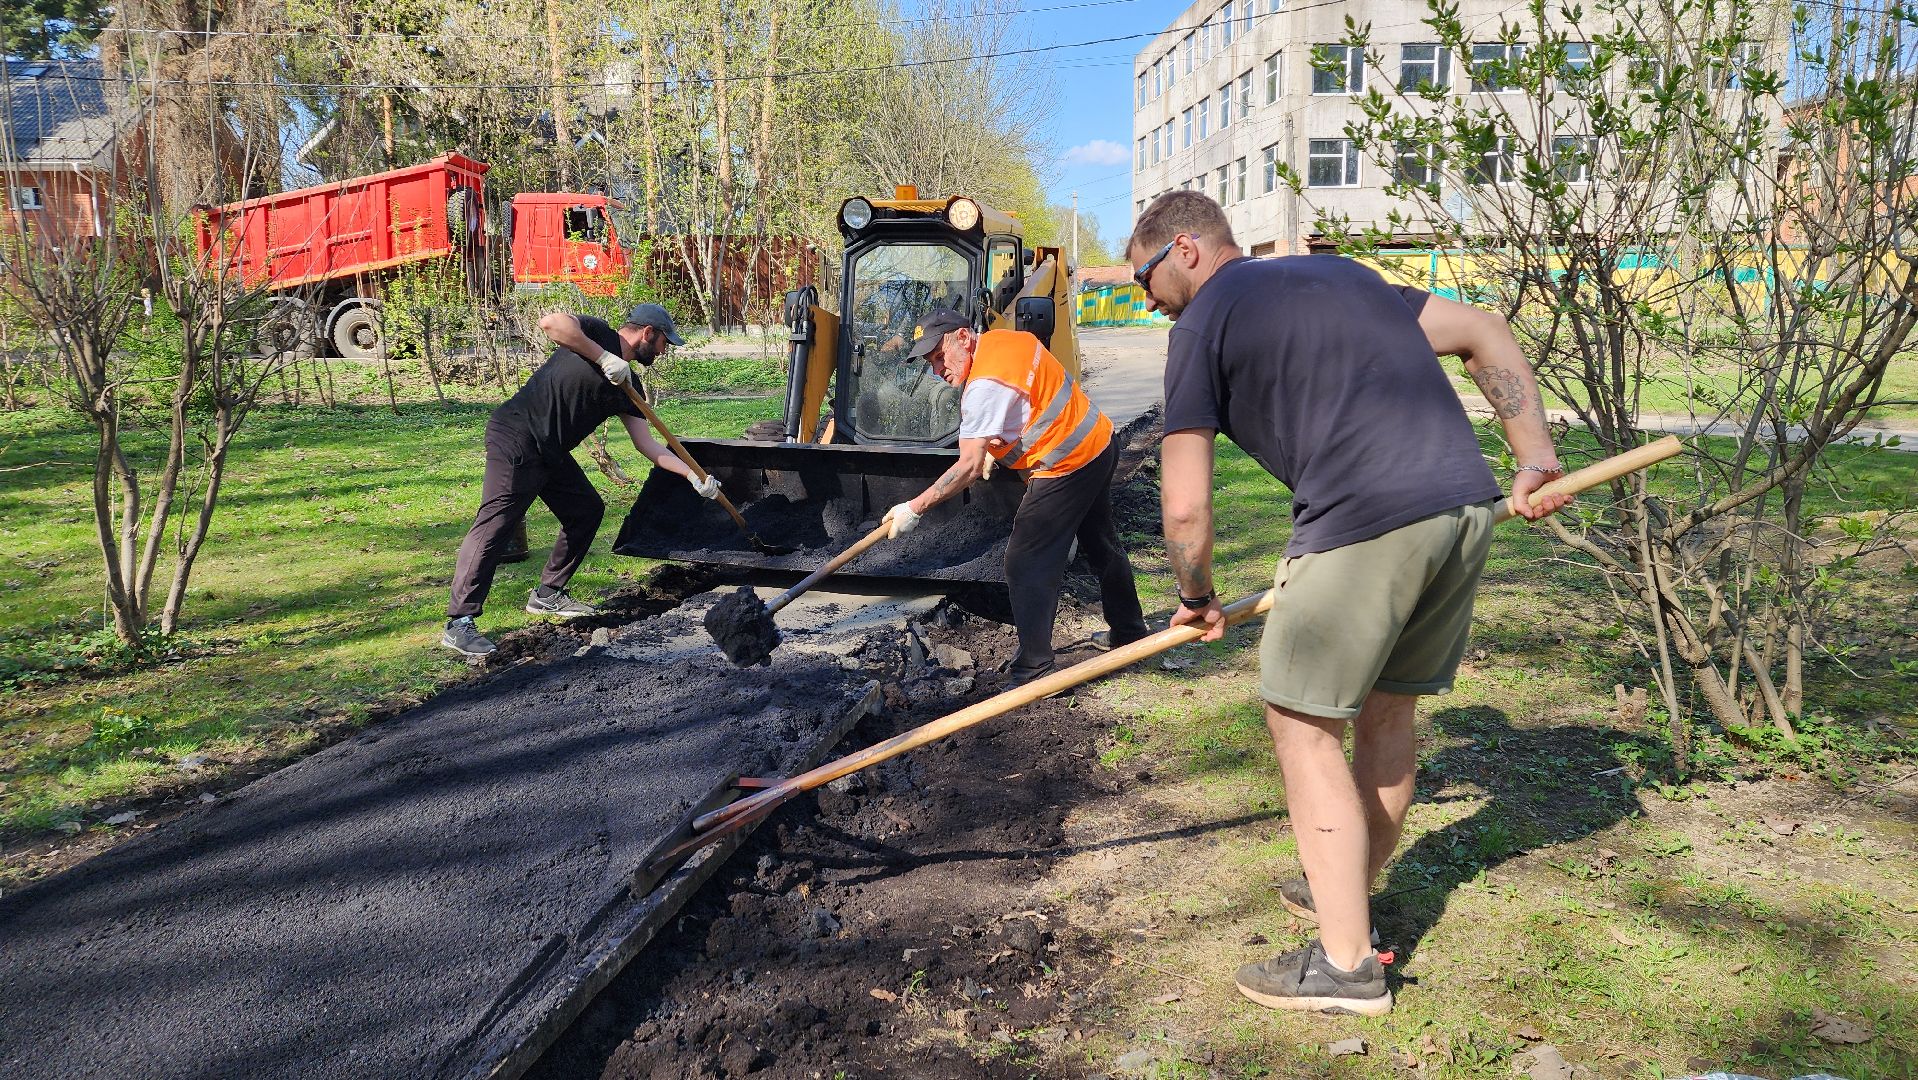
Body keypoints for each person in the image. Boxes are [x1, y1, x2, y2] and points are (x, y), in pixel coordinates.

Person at [1126, 191, 1570, 1016]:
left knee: (1302, 726)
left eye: (1144, 280)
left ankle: (1344, 966)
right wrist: (1534, 455)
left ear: (1185, 248)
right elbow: (1483, 330)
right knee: (1388, 715)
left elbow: (1184, 504)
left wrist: (1195, 595)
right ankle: (1348, 901)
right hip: (1462, 511)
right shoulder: (1347, 277)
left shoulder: (1202, 324)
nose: (1145, 302)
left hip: (1365, 524)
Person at [883, 310, 1149, 689]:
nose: (937, 369)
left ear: (963, 337)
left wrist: (914, 507)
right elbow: (1030, 399)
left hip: (1066, 463)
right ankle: (1129, 632)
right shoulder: (1006, 341)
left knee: (1026, 561)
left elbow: (968, 467)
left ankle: (1035, 670)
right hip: (1099, 443)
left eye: (940, 356)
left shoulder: (983, 385)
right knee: (1101, 544)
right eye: (930, 363)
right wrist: (998, 444)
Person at [440, 303, 720, 657]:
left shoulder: (629, 384)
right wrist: (603, 357)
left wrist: (693, 475)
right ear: (647, 333)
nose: (664, 351)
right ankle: (459, 623)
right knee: (496, 524)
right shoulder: (597, 333)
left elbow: (646, 444)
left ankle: (548, 594)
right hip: (517, 434)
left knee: (586, 510)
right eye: (665, 342)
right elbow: (550, 322)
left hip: (551, 452)